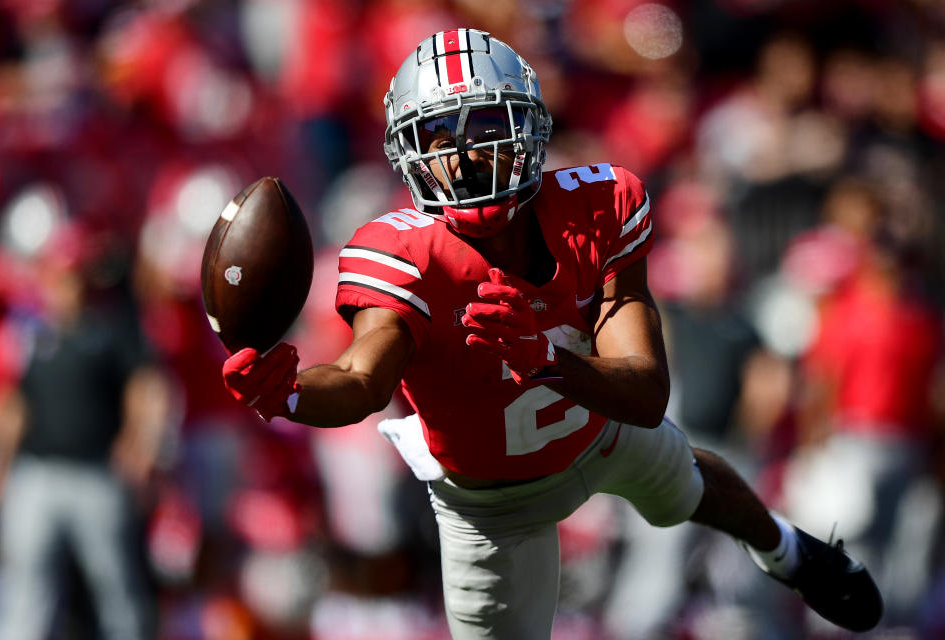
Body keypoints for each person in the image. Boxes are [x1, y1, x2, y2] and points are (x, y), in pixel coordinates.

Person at [220, 29, 883, 638]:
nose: (465, 156)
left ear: (528, 129)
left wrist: (545, 358)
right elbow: (363, 380)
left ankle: (787, 551)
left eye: (482, 127)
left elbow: (647, 393)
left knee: (690, 484)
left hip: (599, 431)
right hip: (489, 502)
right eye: (440, 137)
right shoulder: (403, 254)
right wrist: (293, 395)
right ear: (410, 154)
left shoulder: (598, 206)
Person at [0, 227, 168, 640]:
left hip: (95, 474)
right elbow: (12, 406)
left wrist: (141, 448)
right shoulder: (30, 334)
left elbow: (146, 389)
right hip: (36, 474)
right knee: (25, 586)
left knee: (115, 584)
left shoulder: (110, 331)